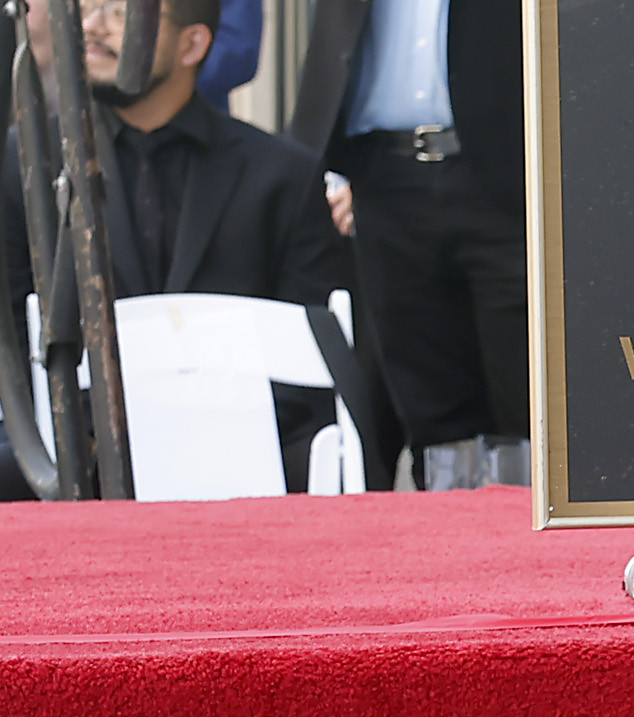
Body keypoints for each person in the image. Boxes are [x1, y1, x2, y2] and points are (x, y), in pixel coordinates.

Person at [2, 0, 343, 491]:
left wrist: (204, 438)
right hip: (81, 457)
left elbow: (311, 354)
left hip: (247, 457)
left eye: (120, 14)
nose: (92, 29)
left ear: (192, 44)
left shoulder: (282, 175)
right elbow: (16, 334)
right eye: (87, 8)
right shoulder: (31, 158)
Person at [291, 0, 526, 485]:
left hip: (509, 172)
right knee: (428, 404)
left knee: (528, 387)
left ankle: (531, 520)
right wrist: (338, 173)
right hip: (384, 174)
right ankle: (450, 521)